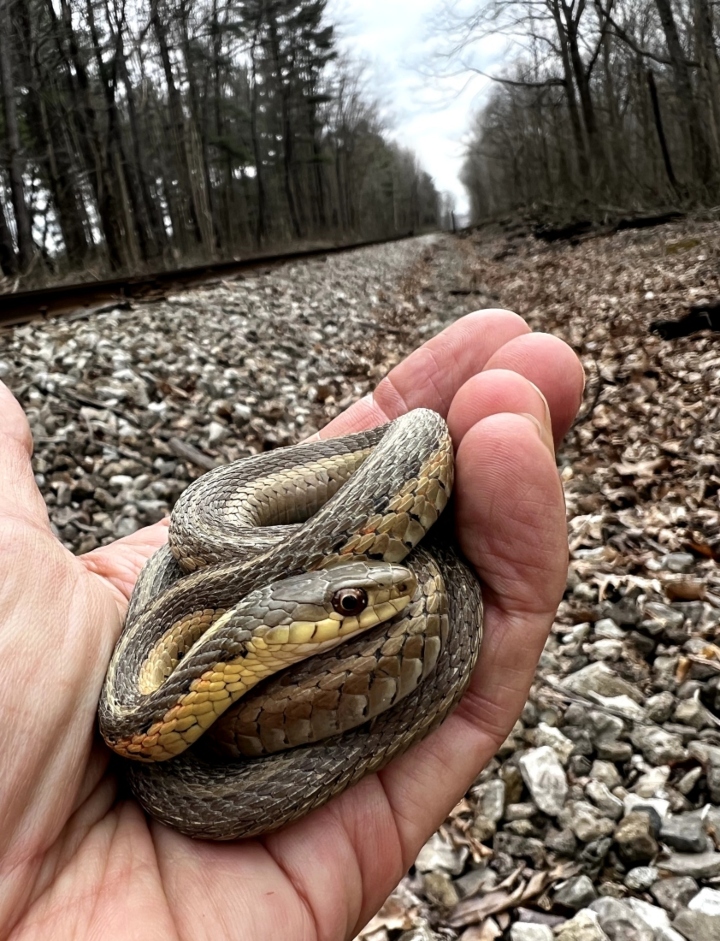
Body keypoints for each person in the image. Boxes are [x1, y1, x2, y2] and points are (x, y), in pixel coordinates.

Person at [0, 308, 584, 940]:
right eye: (350, 606)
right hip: (218, 564)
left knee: (428, 498)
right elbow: (146, 727)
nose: (387, 594)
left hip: (359, 476)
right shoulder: (141, 713)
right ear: (264, 635)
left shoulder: (198, 619)